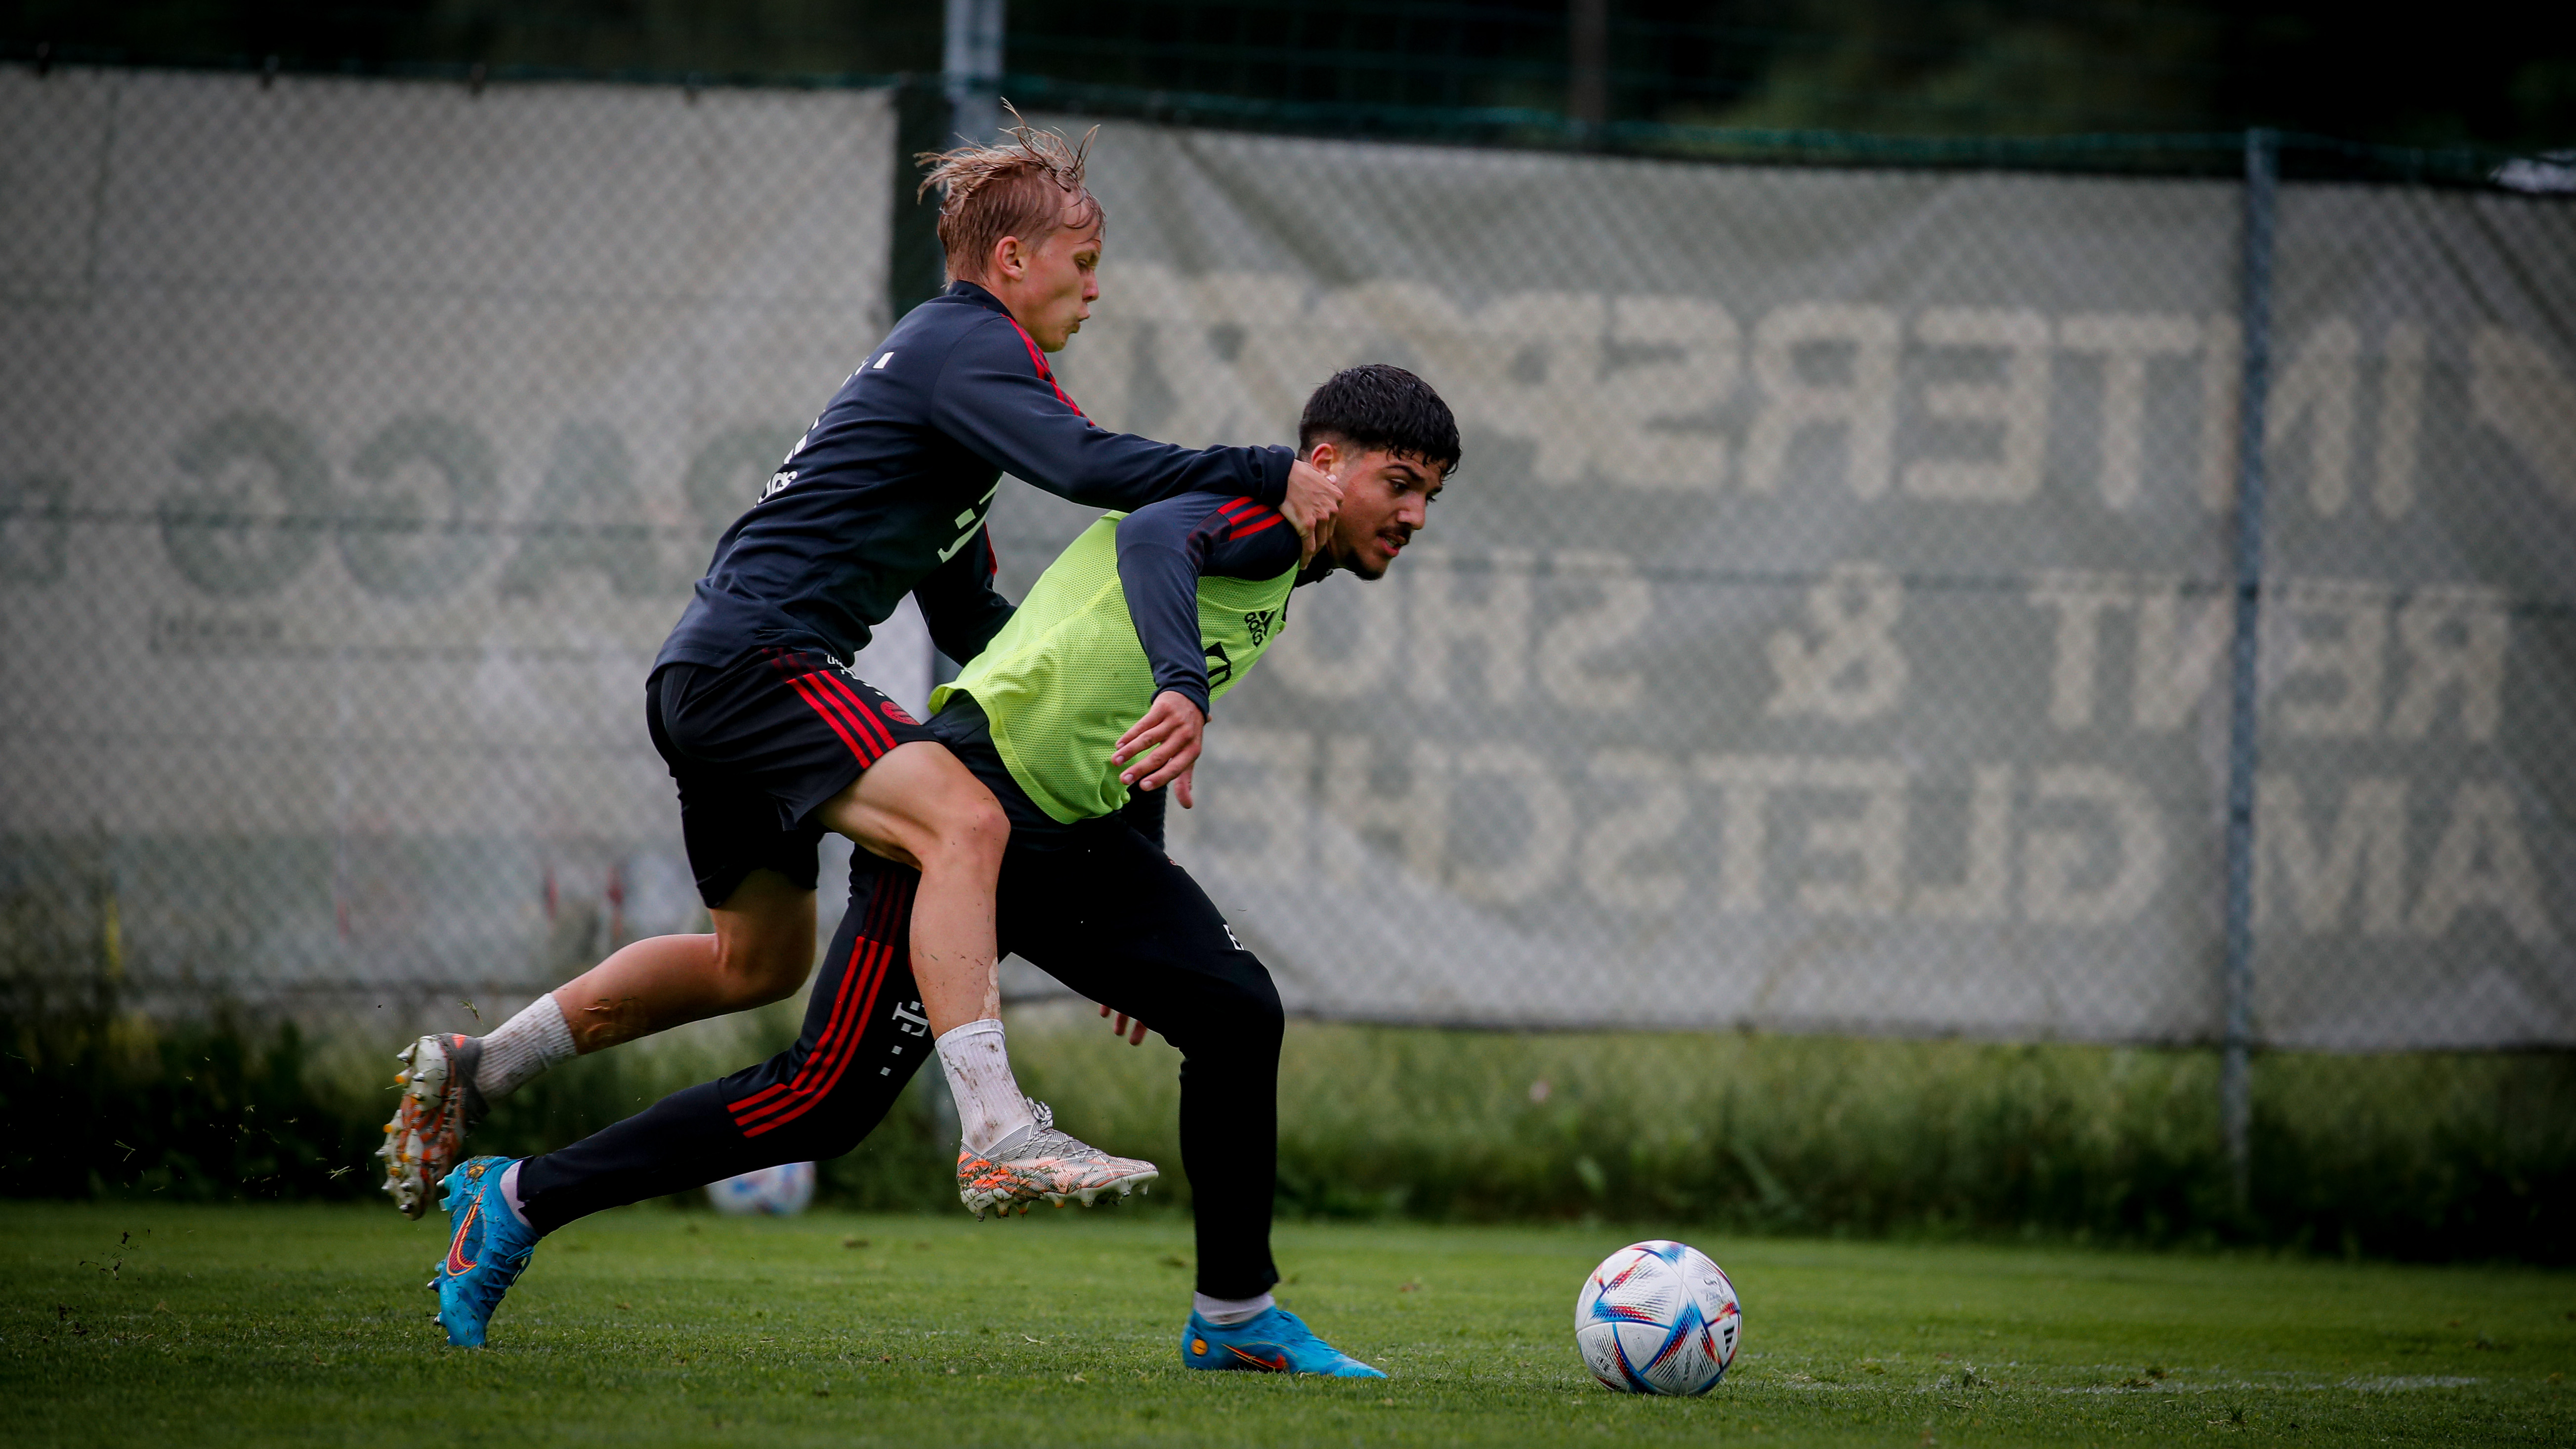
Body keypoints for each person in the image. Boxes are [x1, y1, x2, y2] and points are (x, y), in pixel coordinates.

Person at [377, 116, 1345, 1223]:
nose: (1095, 290)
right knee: (965, 821)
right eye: (1084, 265)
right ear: (1012, 262)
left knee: (755, 963)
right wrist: (1266, 467)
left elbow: (977, 615)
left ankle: (482, 1065)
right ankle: (995, 1131)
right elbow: (1089, 466)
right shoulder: (971, 346)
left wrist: (1112, 756)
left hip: (710, 674)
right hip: (758, 663)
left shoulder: (957, 407)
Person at [423, 366, 1457, 1379]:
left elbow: (1125, 716)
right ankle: (517, 1199)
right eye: (1398, 484)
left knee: (1234, 1011)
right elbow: (1150, 540)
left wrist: (1147, 927)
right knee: (820, 1102)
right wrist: (1188, 683)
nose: (1413, 516)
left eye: (1430, 497)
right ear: (1326, 463)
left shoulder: (1289, 557)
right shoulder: (1271, 520)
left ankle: (1236, 1316)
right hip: (973, 800)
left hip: (1075, 836)